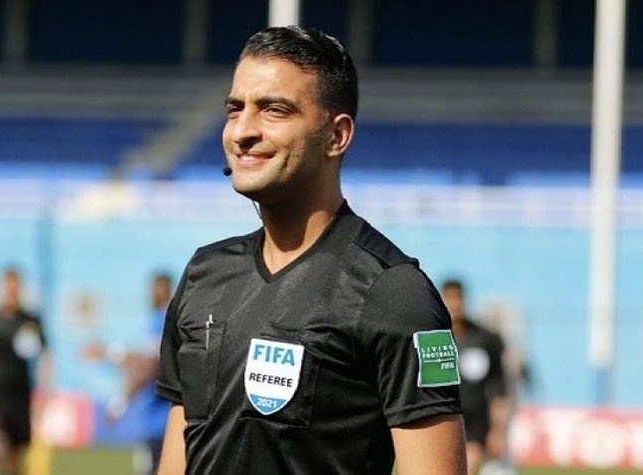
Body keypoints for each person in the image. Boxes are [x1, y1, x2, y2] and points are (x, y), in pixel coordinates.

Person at [156, 26, 466, 475]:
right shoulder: (205, 272)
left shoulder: (394, 293)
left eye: (274, 110)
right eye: (235, 109)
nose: (242, 131)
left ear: (336, 136)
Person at [83, 272, 173, 475]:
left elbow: (149, 366)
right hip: (166, 419)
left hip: (159, 421)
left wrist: (119, 402)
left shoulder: (161, 321)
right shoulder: (169, 321)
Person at [0, 267, 52, 475]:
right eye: (8, 286)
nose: (12, 291)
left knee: (15, 457)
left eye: (16, 286)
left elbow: (44, 356)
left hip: (20, 395)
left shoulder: (30, 321)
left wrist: (45, 393)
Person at [441, 279, 509, 475]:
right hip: (440, 417)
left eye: (458, 298)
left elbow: (498, 388)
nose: (454, 304)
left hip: (474, 422)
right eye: (449, 299)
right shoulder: (433, 337)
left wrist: (498, 430)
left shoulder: (485, 339)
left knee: (467, 468)